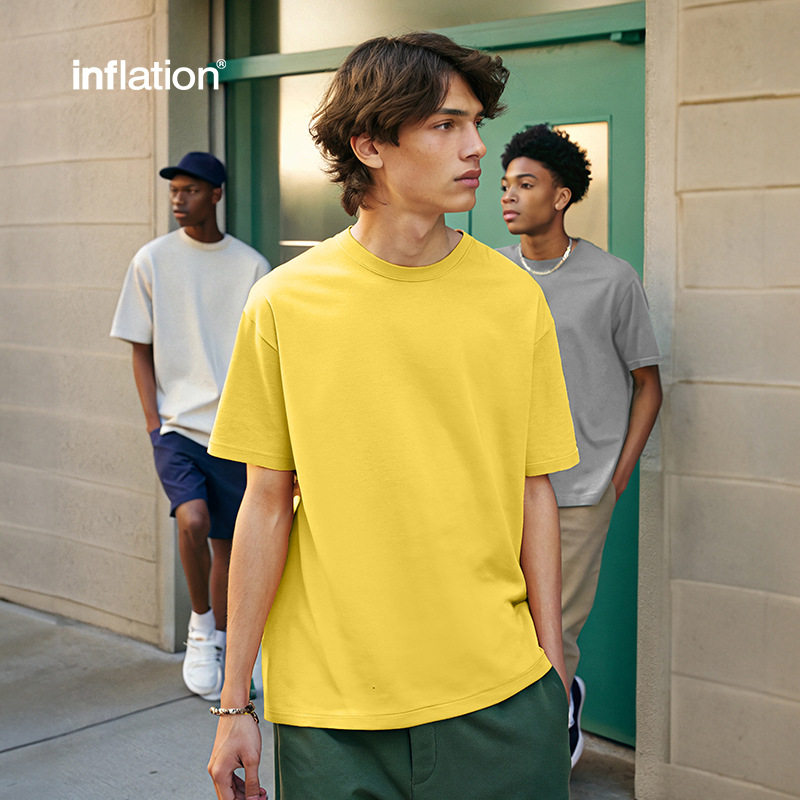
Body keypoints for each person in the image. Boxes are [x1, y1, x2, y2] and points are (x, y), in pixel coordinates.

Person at [206, 33, 579, 800]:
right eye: (445, 125)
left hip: (501, 696)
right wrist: (235, 702)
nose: (476, 147)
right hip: (333, 712)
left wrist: (550, 666)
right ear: (369, 144)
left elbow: (532, 489)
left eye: (474, 123)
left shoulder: (514, 300)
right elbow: (265, 503)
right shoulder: (282, 304)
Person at [496, 124, 663, 767]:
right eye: (505, 184)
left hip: (579, 487)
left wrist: (615, 478)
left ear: (561, 196)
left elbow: (647, 385)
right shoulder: (489, 273)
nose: (509, 196)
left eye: (526, 184)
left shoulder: (613, 280)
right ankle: (555, 707)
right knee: (501, 623)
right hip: (498, 484)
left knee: (554, 630)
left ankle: (536, 760)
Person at [110, 152, 269, 701]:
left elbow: (262, 354)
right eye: (174, 190)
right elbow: (140, 346)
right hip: (177, 428)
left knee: (229, 546)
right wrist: (154, 424)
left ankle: (224, 642)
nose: (179, 199)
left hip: (234, 429)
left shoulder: (250, 266)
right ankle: (201, 627)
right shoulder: (151, 260)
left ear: (216, 195)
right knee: (193, 521)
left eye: (191, 190)